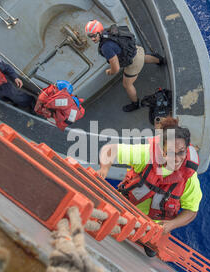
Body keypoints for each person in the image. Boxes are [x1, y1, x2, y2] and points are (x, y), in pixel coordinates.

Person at [97, 117, 202, 257]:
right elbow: (110, 150)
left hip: (152, 226)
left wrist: (171, 225)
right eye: (170, 152)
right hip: (123, 207)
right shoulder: (146, 154)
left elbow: (191, 211)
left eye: (181, 152)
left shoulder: (189, 178)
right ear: (161, 149)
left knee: (150, 251)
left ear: (187, 149)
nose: (176, 159)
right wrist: (103, 171)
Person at [85, 20, 166, 112]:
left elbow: (116, 69)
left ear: (99, 32)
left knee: (127, 84)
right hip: (137, 50)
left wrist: (109, 72)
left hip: (133, 63)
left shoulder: (106, 47)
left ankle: (135, 103)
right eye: (89, 36)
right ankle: (160, 60)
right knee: (142, 57)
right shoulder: (109, 31)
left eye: (93, 35)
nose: (92, 39)